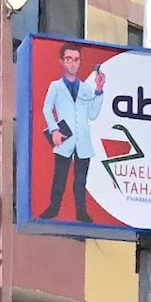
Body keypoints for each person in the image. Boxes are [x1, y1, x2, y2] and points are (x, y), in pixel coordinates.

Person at [40, 43, 103, 222]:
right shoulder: (56, 86)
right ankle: (54, 208)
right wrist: (54, 130)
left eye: (76, 60)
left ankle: (81, 212)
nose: (73, 64)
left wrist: (99, 91)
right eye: (69, 59)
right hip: (64, 139)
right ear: (62, 62)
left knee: (80, 181)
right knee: (60, 177)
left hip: (82, 140)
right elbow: (46, 109)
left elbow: (93, 113)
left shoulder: (86, 88)